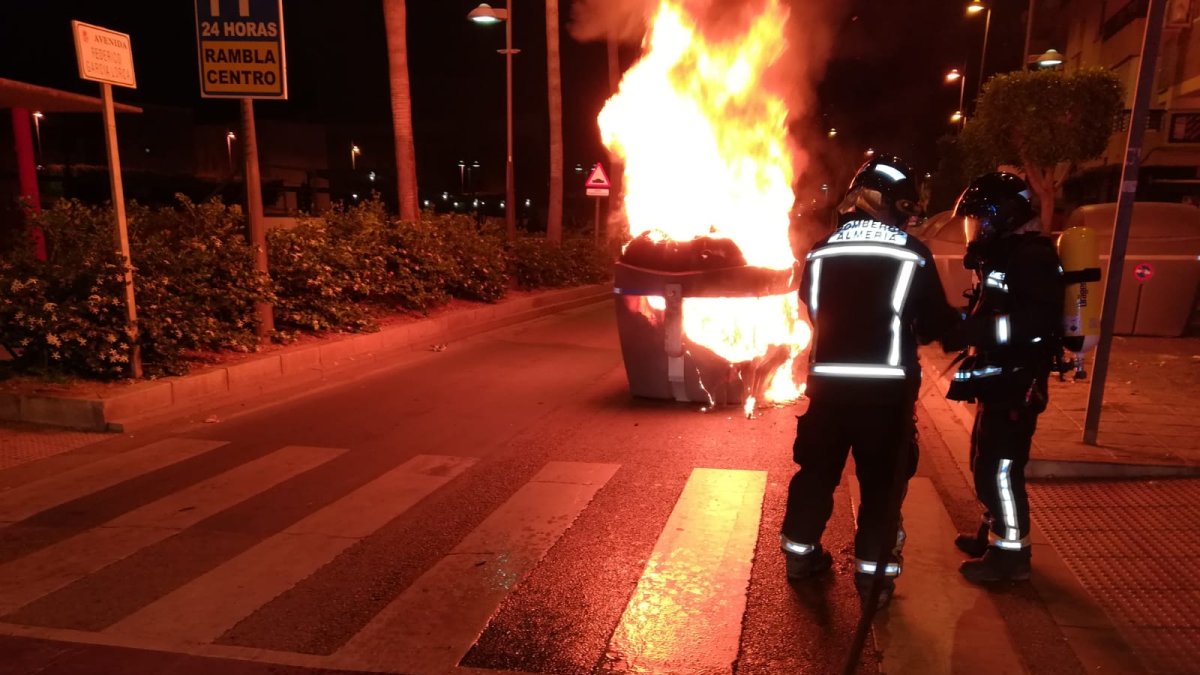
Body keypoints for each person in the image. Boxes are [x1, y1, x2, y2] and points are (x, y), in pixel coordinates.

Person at [781, 155, 962, 607]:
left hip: (826, 391)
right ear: (891, 204)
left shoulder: (820, 251)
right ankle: (872, 581)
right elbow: (936, 324)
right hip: (885, 399)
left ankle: (800, 558)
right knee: (882, 487)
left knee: (815, 474)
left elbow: (812, 307)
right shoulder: (910, 253)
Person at [947, 172, 1064, 584]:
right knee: (984, 459)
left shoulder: (1032, 257)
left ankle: (1011, 555)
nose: (974, 228)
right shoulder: (1004, 255)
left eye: (980, 218)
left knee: (999, 468)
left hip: (1018, 382)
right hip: (998, 380)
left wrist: (974, 332)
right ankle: (991, 530)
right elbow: (989, 310)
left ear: (1005, 216)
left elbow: (1036, 323)